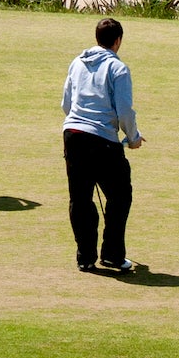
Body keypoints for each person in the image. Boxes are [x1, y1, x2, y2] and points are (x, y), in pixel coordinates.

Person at [62, 17, 144, 273]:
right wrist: (133, 138)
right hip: (102, 140)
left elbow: (66, 102)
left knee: (80, 199)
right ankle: (112, 254)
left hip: (73, 134)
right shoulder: (119, 69)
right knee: (120, 196)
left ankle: (85, 257)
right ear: (118, 41)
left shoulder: (77, 62)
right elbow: (125, 112)